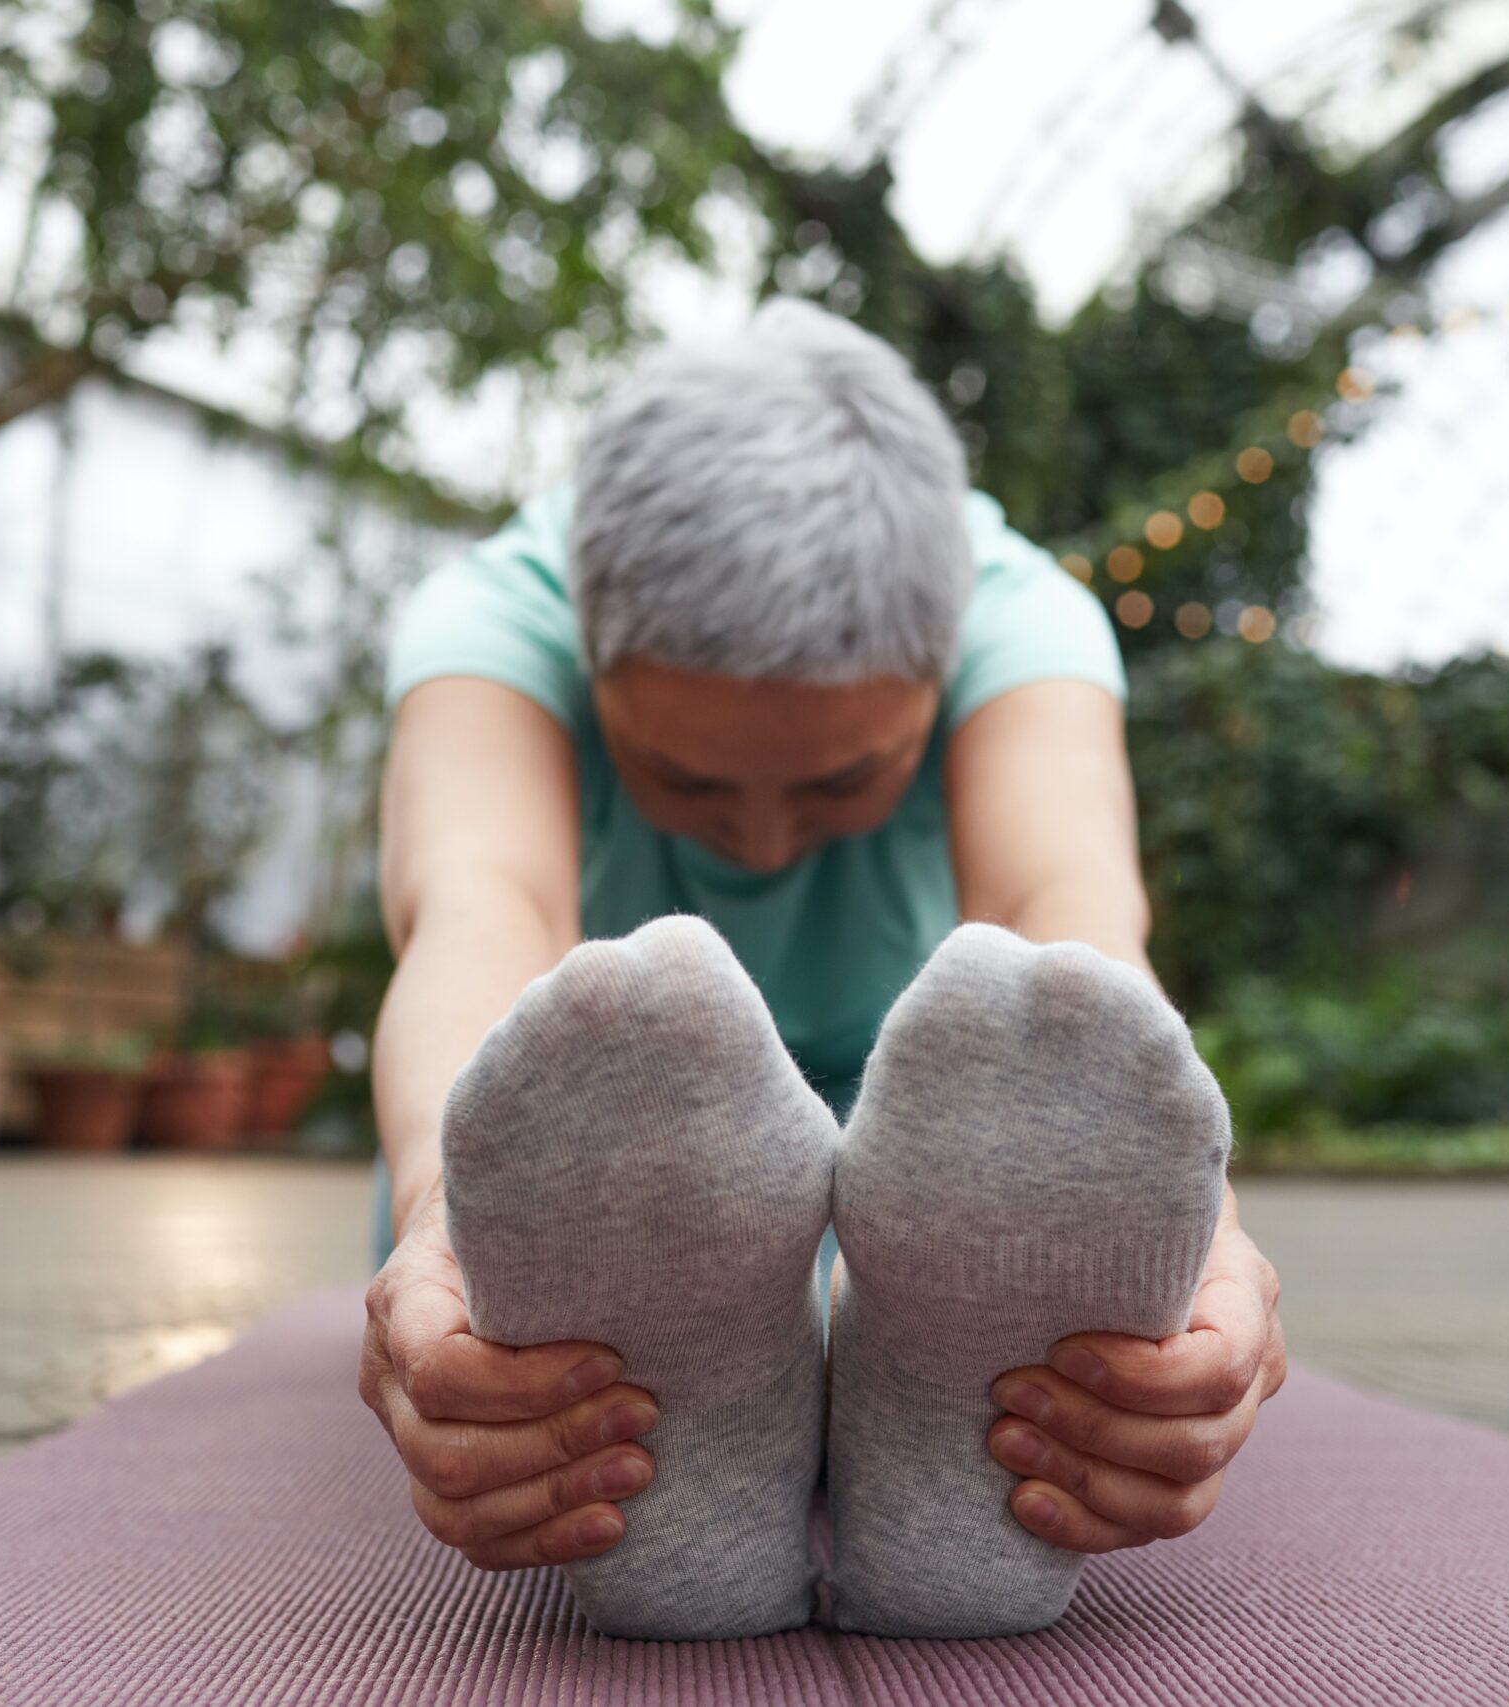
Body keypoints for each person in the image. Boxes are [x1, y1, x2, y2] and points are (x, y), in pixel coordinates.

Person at [356, 299, 1286, 1637]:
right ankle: (782, 1362)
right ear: (588, 649)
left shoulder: (1024, 615)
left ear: (944, 659)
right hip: (589, 1153)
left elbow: (1066, 925)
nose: (763, 840)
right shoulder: (496, 614)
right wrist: (443, 1214)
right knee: (597, 1212)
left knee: (959, 1196)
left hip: (918, 1137)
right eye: (682, 775)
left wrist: (1202, 1242)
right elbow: (478, 904)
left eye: (846, 776)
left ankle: (855, 1379)